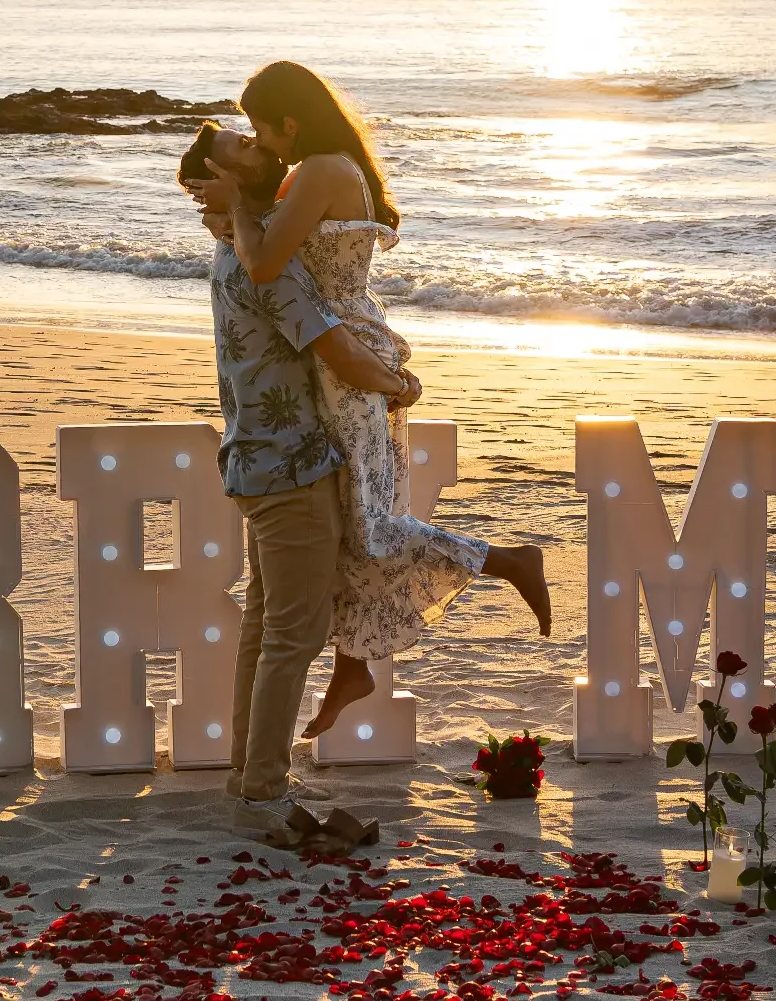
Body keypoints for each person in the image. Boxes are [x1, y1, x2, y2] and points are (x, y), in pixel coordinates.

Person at [186, 62, 550, 741]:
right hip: (333, 355)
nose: (260, 139)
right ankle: (351, 664)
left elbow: (265, 264)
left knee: (370, 522)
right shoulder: (314, 168)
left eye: (260, 125)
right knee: (356, 519)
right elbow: (260, 252)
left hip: (346, 352)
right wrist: (224, 203)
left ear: (289, 120)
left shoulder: (322, 166)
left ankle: (505, 560)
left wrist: (235, 202)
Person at [179, 126, 421, 841]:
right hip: (291, 464)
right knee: (295, 633)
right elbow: (337, 351)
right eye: (240, 147)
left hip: (257, 458)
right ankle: (261, 793)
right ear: (222, 180)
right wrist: (399, 383)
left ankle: (246, 775)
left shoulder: (236, 250)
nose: (259, 145)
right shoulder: (271, 269)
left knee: (266, 626)